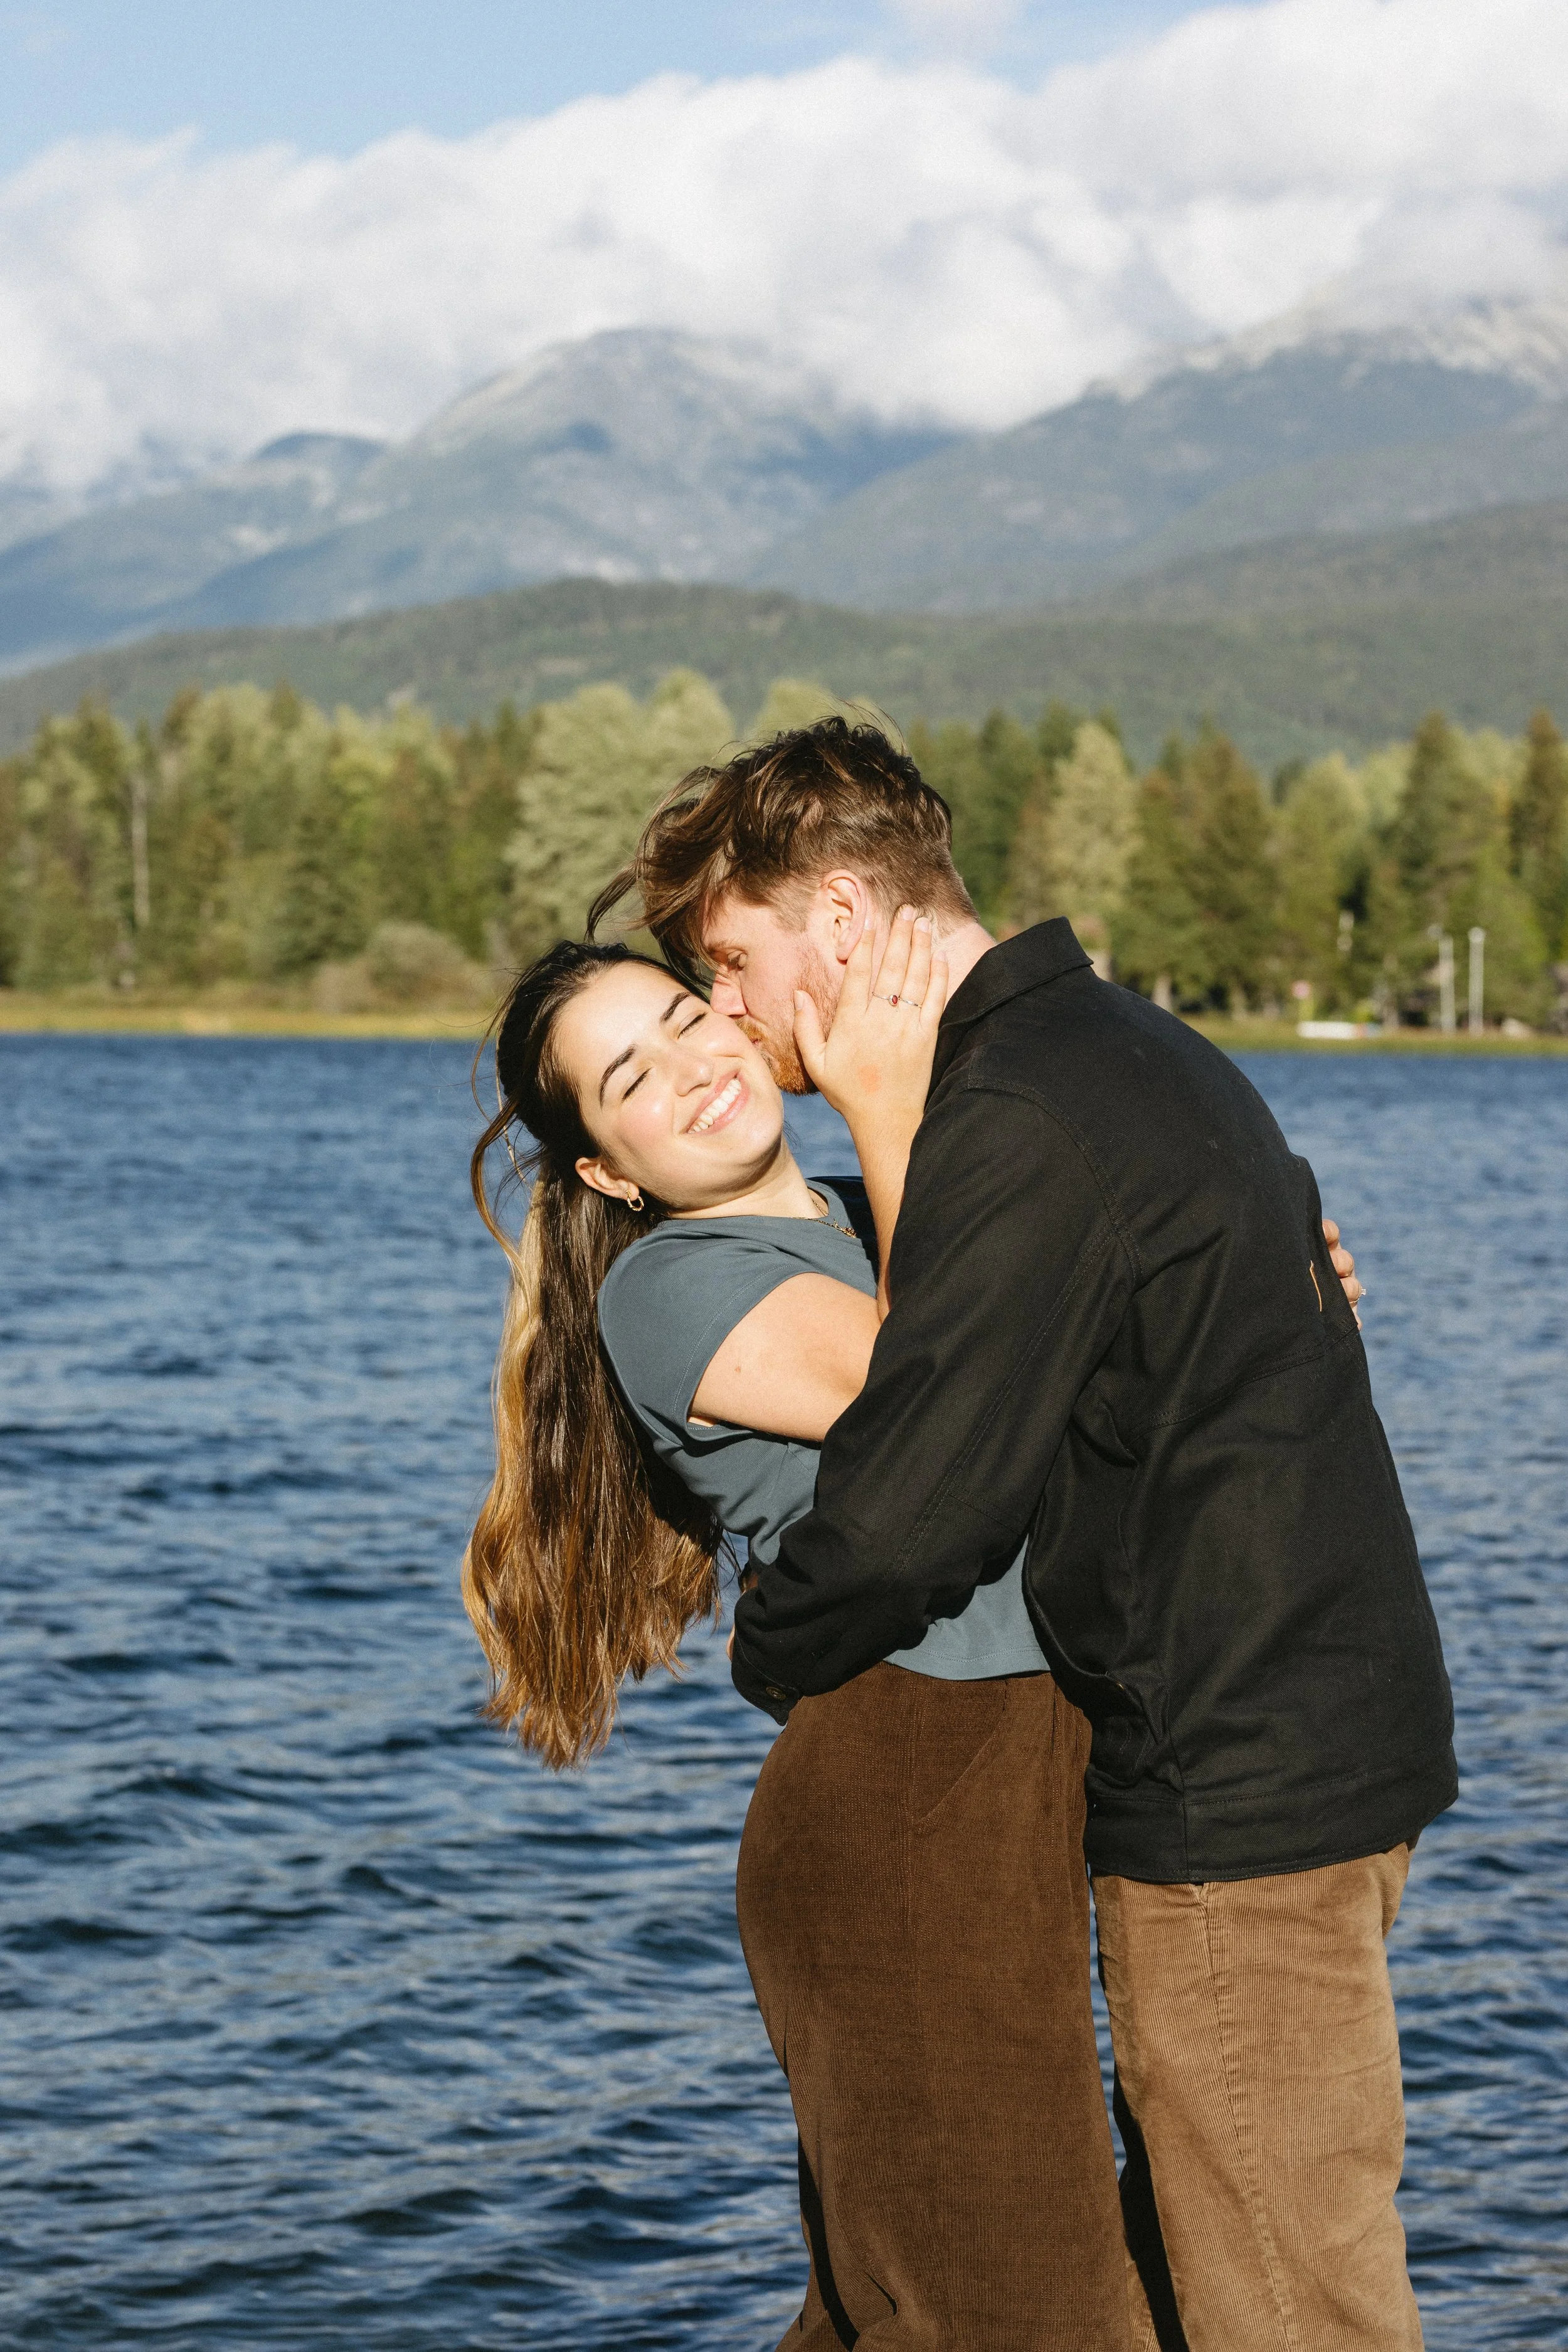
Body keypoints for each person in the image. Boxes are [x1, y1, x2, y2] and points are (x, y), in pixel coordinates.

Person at [591, 716, 1455, 2352]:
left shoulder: (1012, 1120)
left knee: (1284, 2305)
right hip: (1312, 1744)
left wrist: (772, 1647)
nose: (736, 1017)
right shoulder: (1122, 1047)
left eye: (732, 959)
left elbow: (920, 1494)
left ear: (840, 924)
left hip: (1231, 1790)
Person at [462, 921, 1133, 2349]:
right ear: (608, 1170)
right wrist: (891, 1104)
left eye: (686, 1015)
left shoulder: (849, 1207)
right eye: (630, 1080)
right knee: (1030, 2302)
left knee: (897, 2301)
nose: (696, 1065)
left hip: (1001, 1768)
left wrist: (1258, 1251)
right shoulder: (667, 1289)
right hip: (909, 1793)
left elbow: (1088, 1334)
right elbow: (936, 1390)